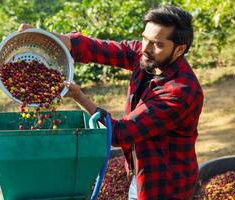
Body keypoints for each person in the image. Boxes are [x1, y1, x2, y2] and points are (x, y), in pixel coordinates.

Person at [18, 5, 203, 200]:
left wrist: (79, 97)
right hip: (142, 172)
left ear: (179, 49)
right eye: (144, 38)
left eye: (156, 44)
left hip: (165, 186)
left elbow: (119, 134)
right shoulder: (150, 56)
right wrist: (49, 38)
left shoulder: (179, 92)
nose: (145, 48)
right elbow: (104, 49)